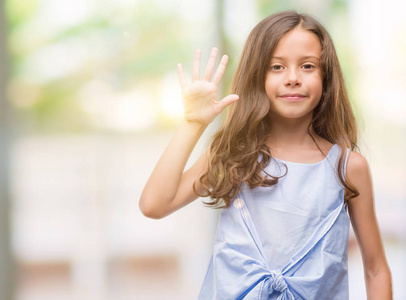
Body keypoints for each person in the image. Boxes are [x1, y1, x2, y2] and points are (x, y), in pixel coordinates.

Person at [139, 11, 392, 299]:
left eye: (308, 66)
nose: (293, 78)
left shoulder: (348, 167)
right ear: (257, 75)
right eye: (277, 67)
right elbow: (154, 205)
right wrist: (193, 123)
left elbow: (376, 269)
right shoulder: (232, 154)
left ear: (327, 77)